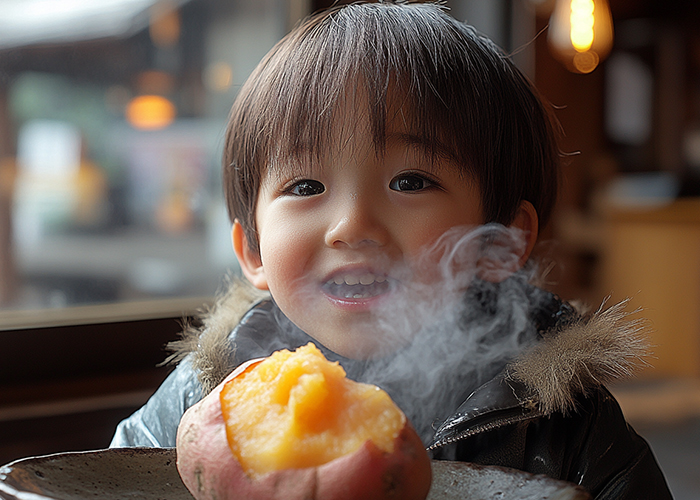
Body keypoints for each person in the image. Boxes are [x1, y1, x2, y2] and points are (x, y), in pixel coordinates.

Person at [111, 2, 673, 498]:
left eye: (410, 182)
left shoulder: (563, 425)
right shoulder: (213, 393)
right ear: (253, 251)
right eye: (305, 188)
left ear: (500, 242)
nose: (351, 227)